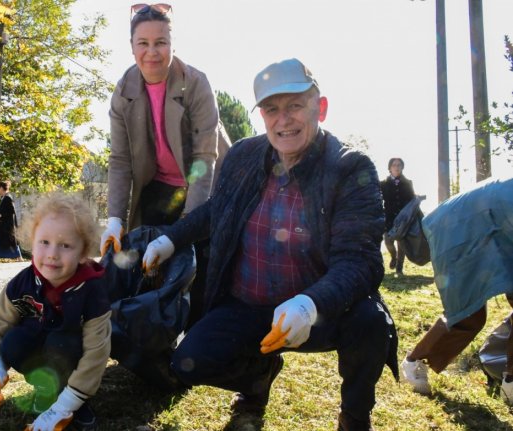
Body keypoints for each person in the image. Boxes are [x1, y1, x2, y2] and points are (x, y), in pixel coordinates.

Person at [142, 58, 398, 430]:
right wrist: (170, 239)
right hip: (248, 304)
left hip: (320, 308)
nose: (284, 119)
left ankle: (355, 415)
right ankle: (256, 380)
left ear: (320, 108)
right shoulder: (245, 155)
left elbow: (361, 262)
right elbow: (218, 210)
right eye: (271, 109)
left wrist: (309, 305)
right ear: (261, 115)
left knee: (371, 323)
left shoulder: (350, 168)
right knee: (189, 361)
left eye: (296, 105)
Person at [101, 1, 230, 333]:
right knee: (150, 260)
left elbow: (205, 157)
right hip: (159, 186)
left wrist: (188, 225)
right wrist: (115, 218)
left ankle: (197, 335)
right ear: (131, 48)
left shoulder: (196, 83)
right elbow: (120, 161)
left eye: (161, 42)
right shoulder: (123, 92)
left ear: (172, 44)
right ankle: (155, 330)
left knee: (200, 256)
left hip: (207, 183)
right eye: (143, 43)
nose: (152, 52)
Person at [0, 192, 111, 431]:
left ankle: (72, 400)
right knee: (13, 342)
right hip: (40, 344)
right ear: (31, 241)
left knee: (61, 343)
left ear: (83, 253)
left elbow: (96, 354)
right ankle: (45, 389)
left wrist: (66, 405)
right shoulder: (21, 283)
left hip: (71, 353)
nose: (52, 254)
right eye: (44, 242)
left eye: (65, 245)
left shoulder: (93, 290)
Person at [401, 176, 513, 401]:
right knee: (467, 315)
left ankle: (509, 382)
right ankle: (413, 362)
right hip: (459, 228)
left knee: (470, 315)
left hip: (486, 223)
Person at [380, 157, 415, 277]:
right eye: (394, 165)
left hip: (403, 217)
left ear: (402, 167)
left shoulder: (408, 183)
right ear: (390, 168)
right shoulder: (383, 184)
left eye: (399, 165)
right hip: (388, 216)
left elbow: (411, 199)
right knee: (388, 240)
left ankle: (399, 269)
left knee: (402, 243)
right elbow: (378, 199)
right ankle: (393, 256)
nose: (396, 167)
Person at [0, 180, 22, 259]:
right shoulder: (3, 198)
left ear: (2, 188)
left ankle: (19, 257)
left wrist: (0, 215)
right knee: (2, 242)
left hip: (6, 226)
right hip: (3, 226)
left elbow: (11, 211)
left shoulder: (8, 198)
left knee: (10, 242)